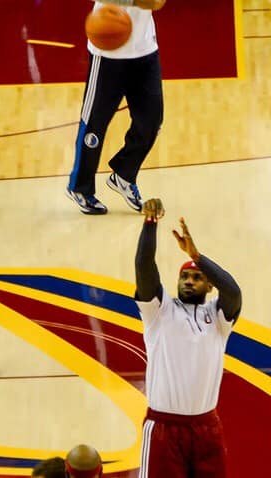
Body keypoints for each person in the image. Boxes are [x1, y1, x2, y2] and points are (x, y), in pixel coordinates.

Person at [135, 198, 242, 477]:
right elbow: (144, 268)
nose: (189, 281)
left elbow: (233, 293)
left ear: (209, 285)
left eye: (197, 277)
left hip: (207, 428)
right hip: (163, 428)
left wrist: (198, 257)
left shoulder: (217, 317)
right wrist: (150, 225)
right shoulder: (159, 310)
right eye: (185, 277)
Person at [65, 0, 166, 215]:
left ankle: (124, 174)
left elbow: (158, 3)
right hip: (107, 55)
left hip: (145, 49)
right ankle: (80, 187)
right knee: (93, 127)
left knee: (152, 120)